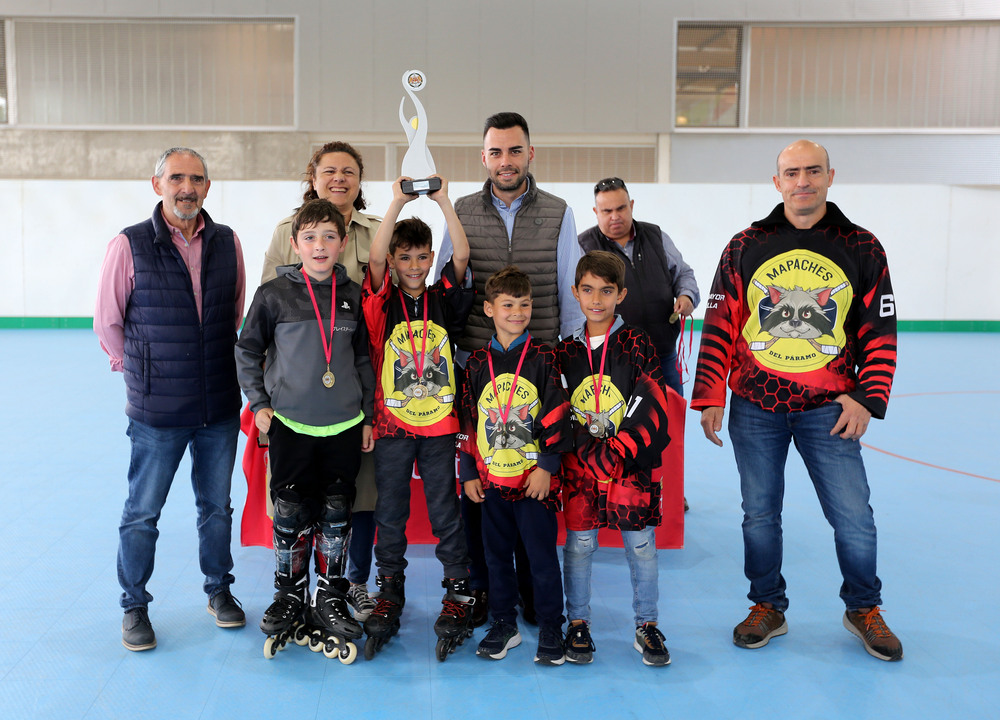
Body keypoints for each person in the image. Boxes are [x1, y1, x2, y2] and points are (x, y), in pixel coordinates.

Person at [691, 139, 902, 662]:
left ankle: (863, 608)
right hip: (755, 404)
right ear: (777, 182)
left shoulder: (861, 246)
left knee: (854, 517)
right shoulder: (746, 244)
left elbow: (880, 327)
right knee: (759, 515)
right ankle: (767, 606)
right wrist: (710, 393)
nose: (802, 181)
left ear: (831, 176)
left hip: (830, 408)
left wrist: (867, 399)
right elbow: (721, 320)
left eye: (812, 171)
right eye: (792, 172)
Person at [95, 147, 247, 651]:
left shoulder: (228, 242)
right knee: (143, 511)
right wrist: (140, 375)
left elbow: (234, 314)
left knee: (217, 507)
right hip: (157, 410)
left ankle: (219, 591)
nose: (188, 187)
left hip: (219, 404)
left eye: (197, 179)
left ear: (208, 186)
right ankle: (134, 605)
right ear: (156, 183)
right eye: (177, 177)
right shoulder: (130, 244)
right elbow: (108, 323)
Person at [435, 111, 583, 625]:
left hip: (537, 374)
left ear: (529, 154)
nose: (505, 161)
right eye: (496, 152)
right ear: (484, 157)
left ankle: (531, 592)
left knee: (530, 488)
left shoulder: (560, 212)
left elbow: (569, 292)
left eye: (514, 150)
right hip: (478, 371)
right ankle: (485, 592)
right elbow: (445, 290)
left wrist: (566, 362)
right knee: (483, 495)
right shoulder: (463, 211)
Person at [235, 199, 375, 655]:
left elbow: (361, 359)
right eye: (310, 237)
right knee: (291, 510)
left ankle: (329, 596)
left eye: (330, 237)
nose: (320, 245)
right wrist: (259, 404)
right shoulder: (274, 294)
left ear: (342, 243)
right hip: (291, 422)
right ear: (294, 244)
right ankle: (289, 593)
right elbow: (247, 351)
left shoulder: (352, 294)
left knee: (337, 509)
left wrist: (369, 414)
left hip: (345, 423)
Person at [259, 141, 381, 620]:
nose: (339, 178)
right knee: (292, 502)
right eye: (328, 170)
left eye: (349, 171)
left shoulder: (373, 235)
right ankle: (291, 591)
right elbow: (269, 312)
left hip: (350, 397)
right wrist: (267, 396)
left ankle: (347, 584)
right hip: (296, 399)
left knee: (350, 499)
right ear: (312, 177)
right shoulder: (286, 233)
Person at [360, 174, 476, 659]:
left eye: (421, 257)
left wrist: (444, 201)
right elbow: (372, 258)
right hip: (390, 423)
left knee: (442, 504)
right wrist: (396, 204)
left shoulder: (443, 297)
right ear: (394, 262)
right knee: (391, 509)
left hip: (438, 424)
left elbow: (464, 257)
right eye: (404, 258)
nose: (412, 264)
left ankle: (456, 590)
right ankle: (389, 588)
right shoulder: (382, 300)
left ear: (431, 259)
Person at [557, 251, 672, 668]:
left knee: (641, 545)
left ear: (621, 294)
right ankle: (578, 623)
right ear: (575, 292)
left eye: (606, 291)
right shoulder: (565, 349)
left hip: (629, 466)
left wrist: (619, 448)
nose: (596, 300)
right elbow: (560, 406)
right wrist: (588, 451)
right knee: (580, 543)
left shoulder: (636, 342)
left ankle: (647, 624)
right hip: (582, 469)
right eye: (587, 290)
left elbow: (651, 399)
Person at [459, 266, 572, 665]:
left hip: (532, 483)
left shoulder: (543, 356)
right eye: (508, 304)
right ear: (489, 309)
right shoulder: (475, 364)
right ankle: (504, 623)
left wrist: (547, 464)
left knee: (541, 557)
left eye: (524, 304)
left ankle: (551, 626)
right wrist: (468, 470)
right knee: (495, 557)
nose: (518, 312)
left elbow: (559, 411)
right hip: (491, 482)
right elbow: (466, 420)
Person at [578, 177, 700, 396]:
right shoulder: (583, 247)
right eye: (607, 211)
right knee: (622, 427)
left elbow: (683, 273)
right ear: (596, 211)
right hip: (612, 363)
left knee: (670, 424)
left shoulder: (656, 236)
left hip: (664, 356)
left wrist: (686, 295)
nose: (615, 216)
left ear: (631, 205)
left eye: (621, 208)